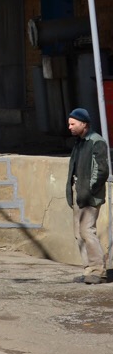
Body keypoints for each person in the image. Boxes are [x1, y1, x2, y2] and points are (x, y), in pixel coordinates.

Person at [65, 108, 110, 284]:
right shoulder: (79, 142)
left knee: (87, 230)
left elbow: (101, 170)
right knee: (78, 233)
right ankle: (88, 270)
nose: (69, 127)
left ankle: (98, 271)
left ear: (84, 124)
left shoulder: (96, 141)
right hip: (79, 191)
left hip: (90, 195)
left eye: (72, 124)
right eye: (69, 124)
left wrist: (88, 189)